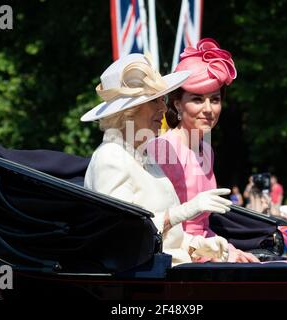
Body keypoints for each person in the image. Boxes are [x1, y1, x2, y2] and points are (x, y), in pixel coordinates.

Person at [81, 53, 233, 266]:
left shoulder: (145, 157)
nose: (163, 108)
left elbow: (170, 238)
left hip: (169, 271)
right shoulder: (110, 157)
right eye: (155, 101)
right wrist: (182, 212)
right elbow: (124, 233)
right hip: (139, 284)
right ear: (129, 111)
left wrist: (198, 245)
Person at [147, 38, 258, 263]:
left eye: (215, 100)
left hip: (206, 251)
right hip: (176, 258)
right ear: (177, 104)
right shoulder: (163, 149)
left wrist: (231, 251)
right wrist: (216, 252)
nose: (208, 109)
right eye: (197, 99)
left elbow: (203, 227)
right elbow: (157, 226)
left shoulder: (207, 151)